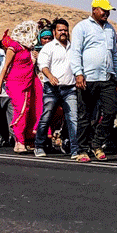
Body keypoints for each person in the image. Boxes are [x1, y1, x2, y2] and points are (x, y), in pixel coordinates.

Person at [71, 0, 117, 161]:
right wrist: (78, 73)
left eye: (108, 11)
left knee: (111, 111)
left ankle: (96, 142)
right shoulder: (82, 27)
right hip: (88, 79)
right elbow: (76, 52)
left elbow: (113, 53)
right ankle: (82, 150)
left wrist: (116, 73)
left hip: (107, 78)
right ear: (94, 10)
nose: (107, 13)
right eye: (103, 10)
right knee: (85, 115)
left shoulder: (110, 29)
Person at [35, 19, 80, 160]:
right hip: (52, 88)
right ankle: (39, 146)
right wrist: (50, 76)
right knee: (46, 116)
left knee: (73, 119)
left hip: (70, 88)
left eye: (65, 30)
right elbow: (42, 65)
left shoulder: (73, 48)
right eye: (60, 30)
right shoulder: (49, 47)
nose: (63, 33)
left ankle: (74, 150)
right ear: (54, 32)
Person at [0, 22, 41, 153]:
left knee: (28, 110)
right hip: (16, 83)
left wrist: (35, 57)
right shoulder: (13, 47)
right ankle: (18, 141)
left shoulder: (29, 49)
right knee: (20, 110)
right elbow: (5, 67)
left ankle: (25, 140)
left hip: (28, 82)